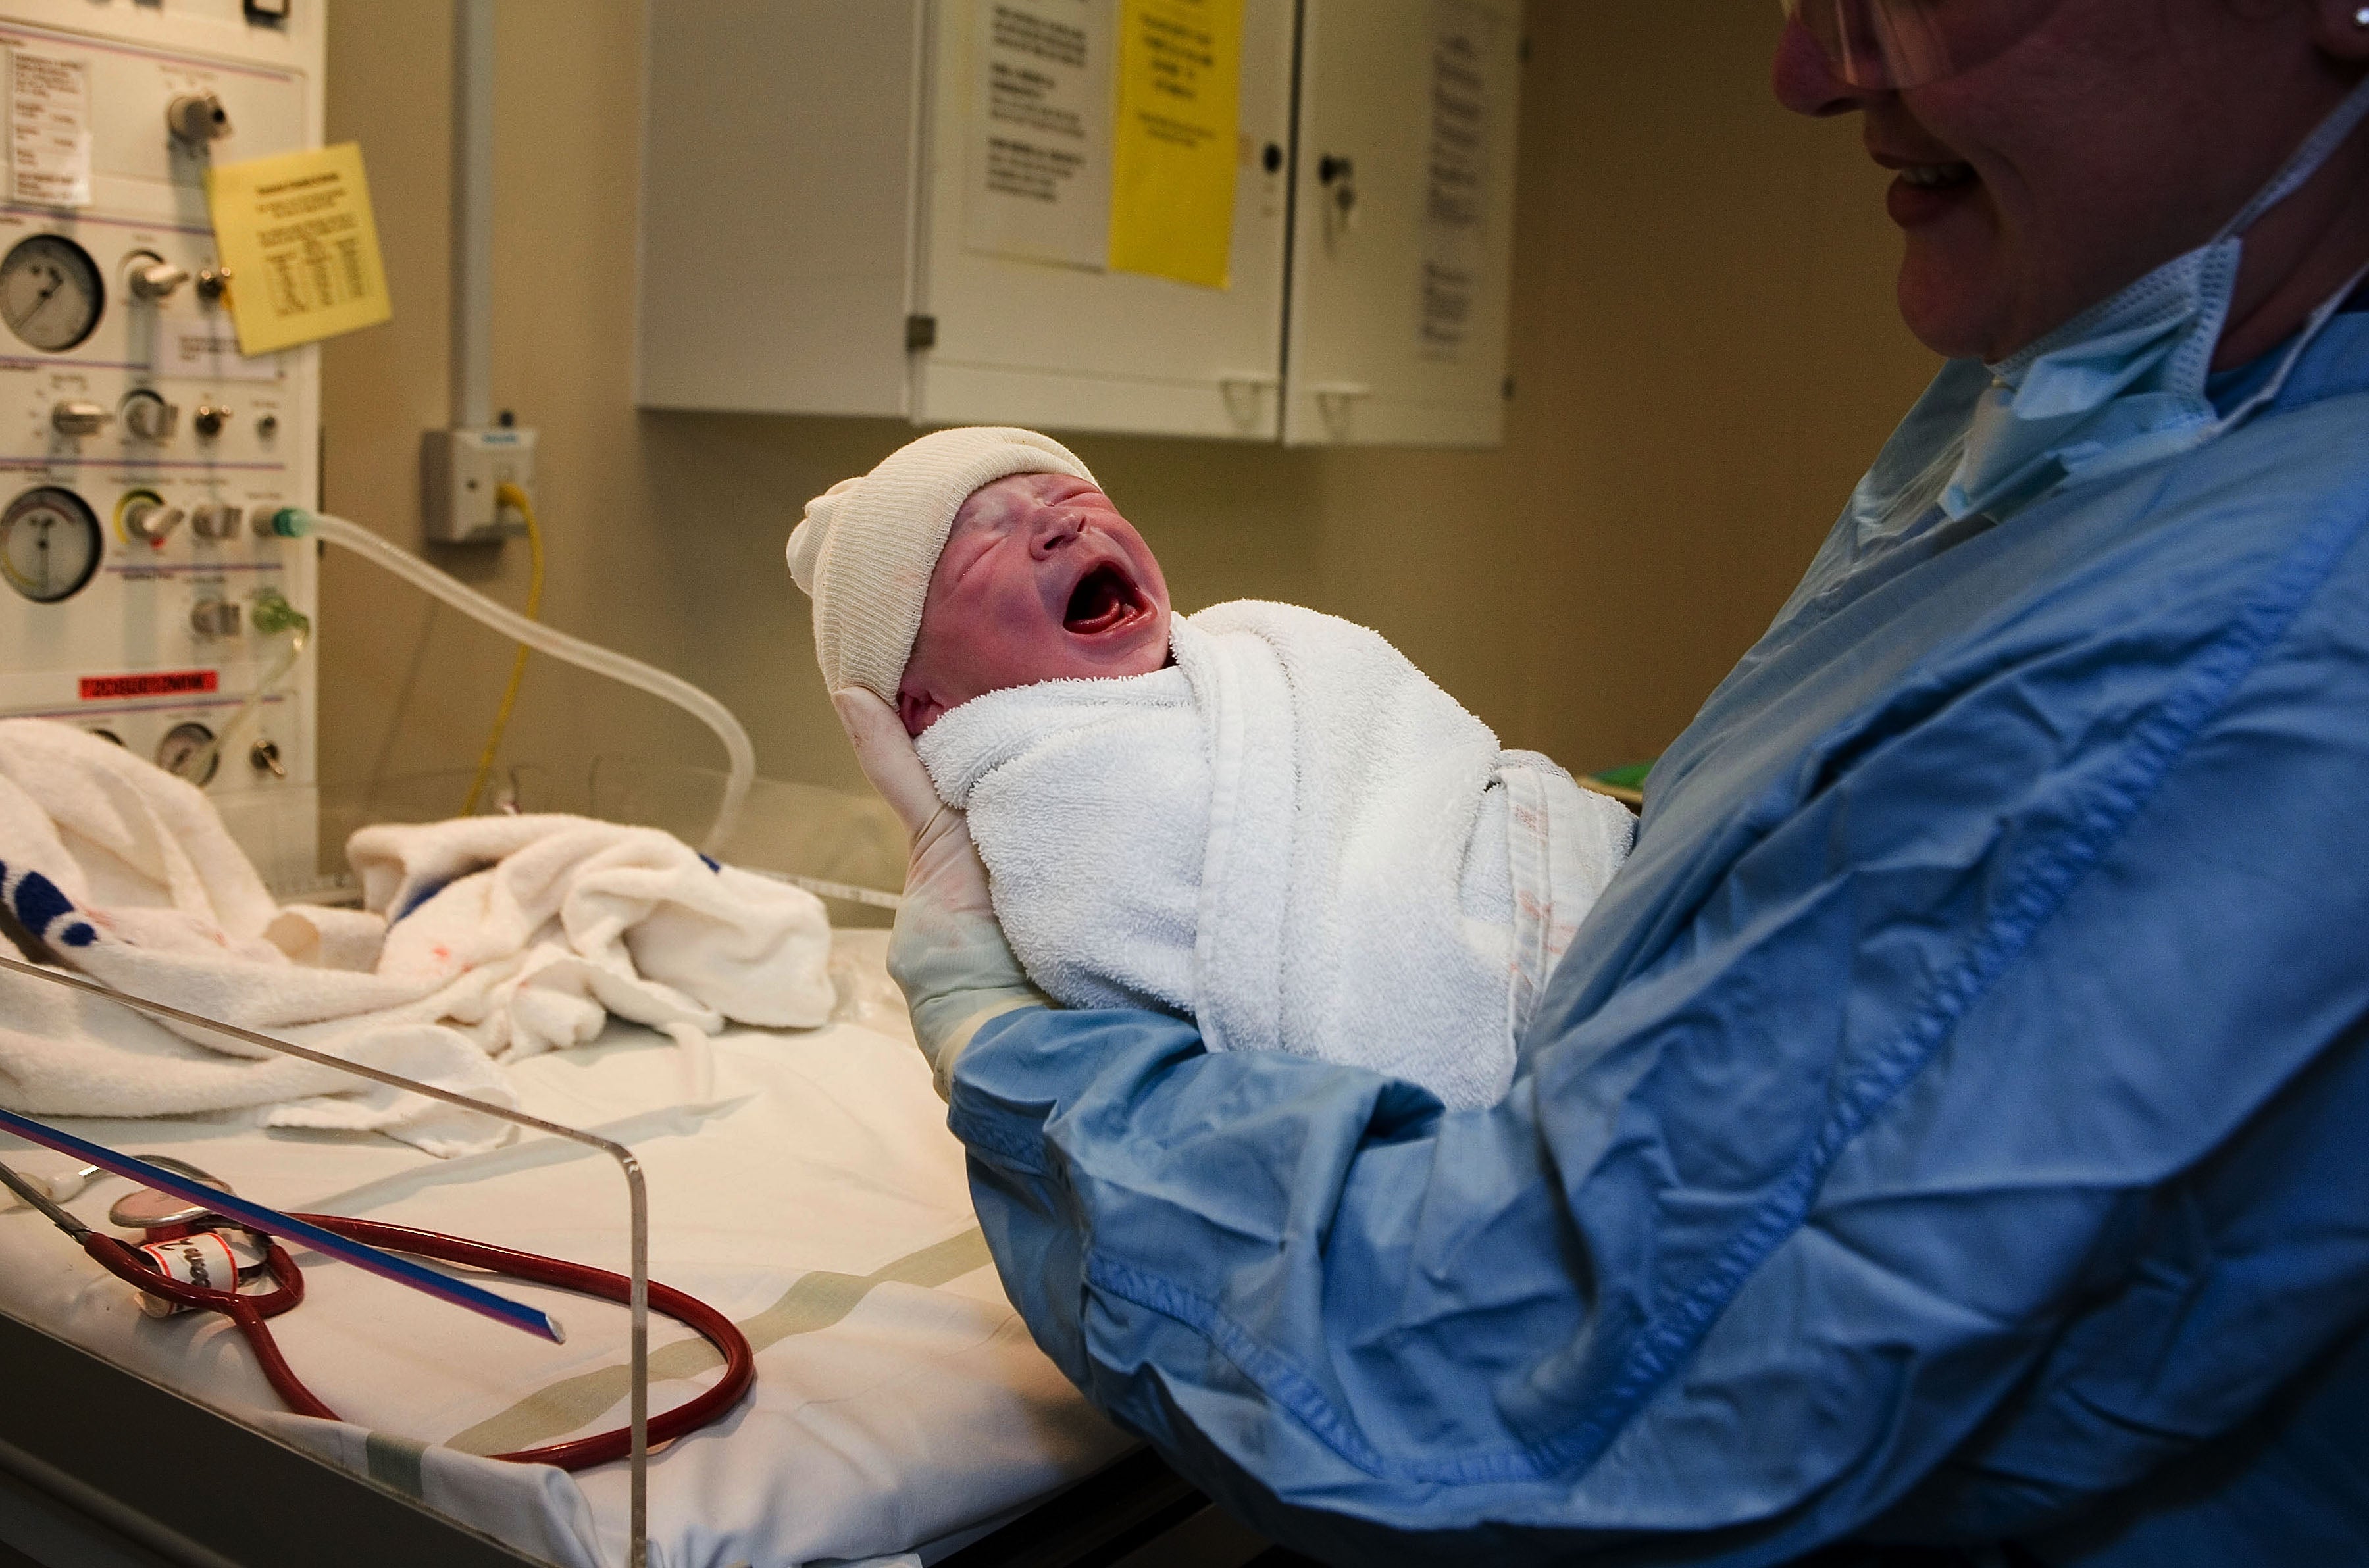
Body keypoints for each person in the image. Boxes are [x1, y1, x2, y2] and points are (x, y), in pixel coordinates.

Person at [831, 1, 2369, 1559]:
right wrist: (1627, 847)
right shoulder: (2089, 422)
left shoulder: (2255, 645)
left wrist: (1027, 1067)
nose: (1802, 71)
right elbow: (1886, 865)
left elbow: (1532, 1378)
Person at [787, 430, 1631, 1109]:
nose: (1058, 525)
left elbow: (1430, 768)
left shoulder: (1263, 651)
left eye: (1071, 497)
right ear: (924, 706)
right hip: (1555, 1028)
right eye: (983, 546)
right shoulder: (1049, 796)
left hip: (1604, 889)